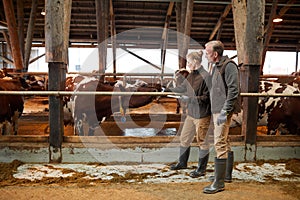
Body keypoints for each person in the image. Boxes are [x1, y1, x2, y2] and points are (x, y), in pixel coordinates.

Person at [203, 40, 241, 194]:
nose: (206, 55)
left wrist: (225, 111)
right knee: (224, 140)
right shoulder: (217, 66)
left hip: (222, 110)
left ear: (215, 54)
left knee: (219, 142)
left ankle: (218, 183)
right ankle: (226, 175)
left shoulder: (229, 66)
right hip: (217, 109)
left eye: (207, 52)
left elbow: (233, 90)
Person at [167, 51, 212, 176]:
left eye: (189, 62)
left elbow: (207, 98)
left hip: (202, 115)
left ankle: (201, 169)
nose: (187, 64)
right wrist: (167, 89)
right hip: (191, 113)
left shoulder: (206, 76)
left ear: (195, 62)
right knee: (184, 138)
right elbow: (183, 88)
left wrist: (190, 99)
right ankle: (182, 163)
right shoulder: (191, 75)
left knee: (202, 141)